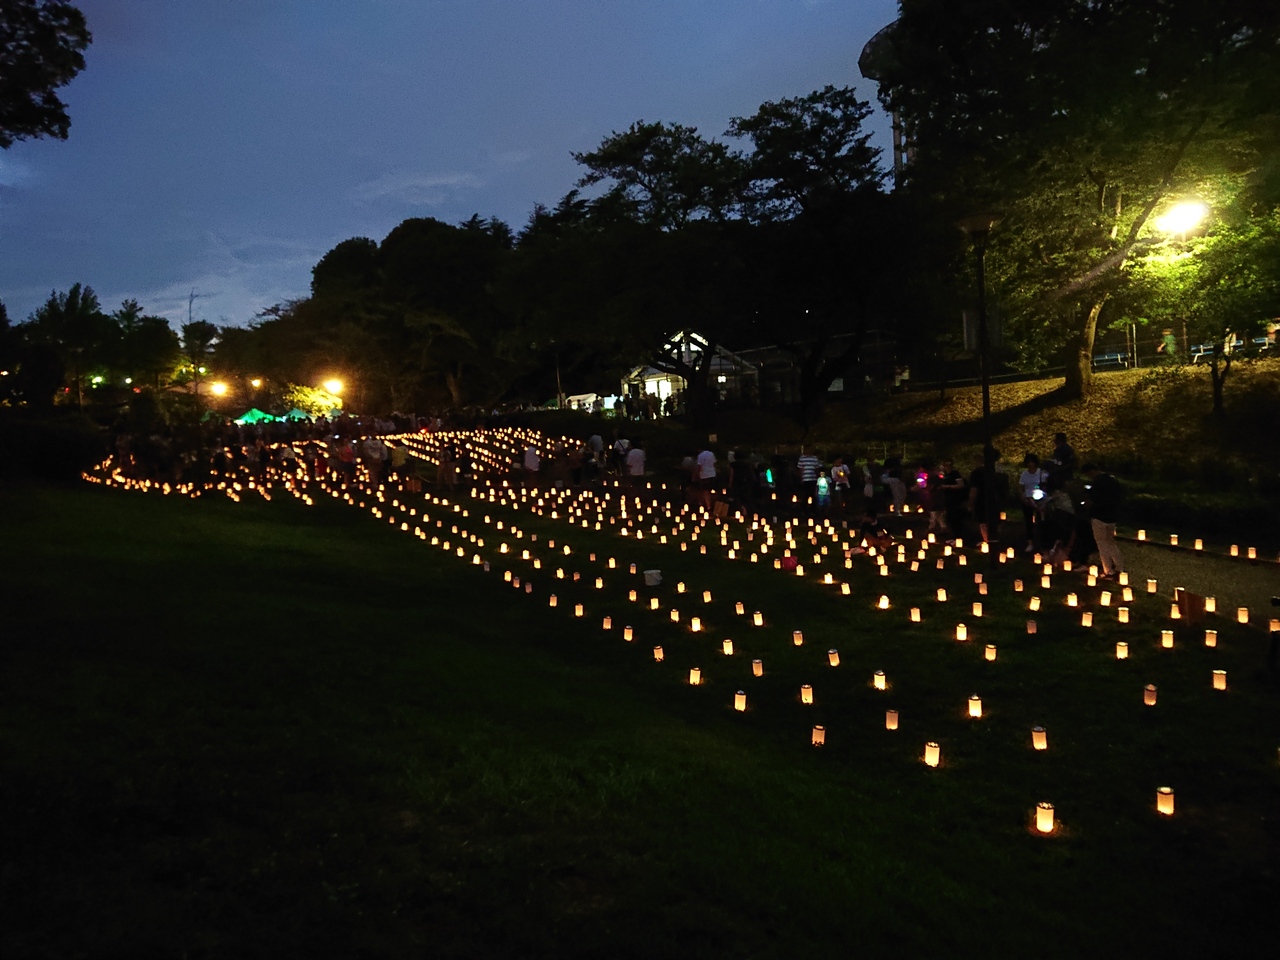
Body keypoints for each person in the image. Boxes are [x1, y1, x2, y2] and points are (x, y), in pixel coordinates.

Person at [1083, 462, 1124, 579]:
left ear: (1091, 471)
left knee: (1101, 544)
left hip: (1099, 516)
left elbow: (1092, 499)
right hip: (1112, 516)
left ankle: (1108, 570)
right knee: (1111, 542)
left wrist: (1087, 505)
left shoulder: (1097, 483)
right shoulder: (1113, 480)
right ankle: (1120, 567)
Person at [1018, 454, 1049, 552]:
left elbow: (1044, 486)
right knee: (1028, 521)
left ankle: (1042, 542)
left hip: (1039, 500)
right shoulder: (1024, 474)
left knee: (1041, 521)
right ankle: (1030, 542)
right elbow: (1020, 487)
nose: (1030, 464)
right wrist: (1023, 496)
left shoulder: (1041, 473)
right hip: (1027, 499)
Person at [939, 459, 967, 542]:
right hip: (947, 499)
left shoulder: (955, 474)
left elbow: (961, 485)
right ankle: (952, 536)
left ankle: (957, 537)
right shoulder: (945, 475)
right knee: (949, 518)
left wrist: (948, 487)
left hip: (955, 499)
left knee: (956, 518)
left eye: (949, 465)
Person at [696, 446, 717, 510]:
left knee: (705, 491)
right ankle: (714, 504)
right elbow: (714, 463)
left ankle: (708, 505)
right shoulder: (711, 454)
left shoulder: (700, 455)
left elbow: (699, 466)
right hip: (712, 474)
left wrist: (697, 475)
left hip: (704, 475)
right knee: (712, 490)